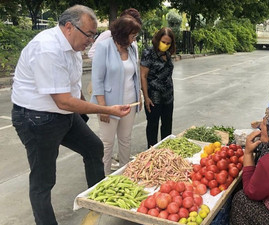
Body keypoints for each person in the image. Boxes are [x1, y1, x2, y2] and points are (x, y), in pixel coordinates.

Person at [11, 5, 131, 225]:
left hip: (63, 114)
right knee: (43, 180)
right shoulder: (47, 48)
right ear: (68, 27)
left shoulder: (74, 48)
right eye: (89, 35)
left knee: (93, 147)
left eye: (94, 36)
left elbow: (73, 89)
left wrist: (88, 111)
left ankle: (98, 203)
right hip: (37, 119)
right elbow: (64, 101)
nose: (91, 41)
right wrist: (106, 110)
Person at [90, 16, 142, 175]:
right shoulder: (104, 47)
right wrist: (103, 108)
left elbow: (135, 74)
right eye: (132, 35)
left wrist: (138, 96)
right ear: (123, 33)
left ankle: (125, 174)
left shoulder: (132, 48)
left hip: (130, 103)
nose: (134, 39)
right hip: (109, 104)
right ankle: (103, 178)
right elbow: (97, 80)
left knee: (125, 140)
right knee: (107, 143)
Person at [140, 27, 176, 148]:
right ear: (158, 39)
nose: (165, 45)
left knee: (167, 125)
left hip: (168, 97)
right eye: (163, 42)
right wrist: (146, 97)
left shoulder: (168, 54)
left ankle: (166, 152)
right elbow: (143, 76)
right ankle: (152, 153)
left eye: (168, 43)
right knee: (153, 125)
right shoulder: (148, 53)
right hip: (153, 97)